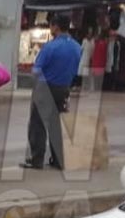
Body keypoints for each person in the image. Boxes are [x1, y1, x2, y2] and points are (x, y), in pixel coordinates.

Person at [23, 13, 83, 170]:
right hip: (64, 89)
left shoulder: (50, 47)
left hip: (46, 88)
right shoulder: (77, 47)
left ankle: (36, 159)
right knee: (56, 125)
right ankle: (58, 160)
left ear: (55, 26)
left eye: (51, 25)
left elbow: (36, 70)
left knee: (38, 124)